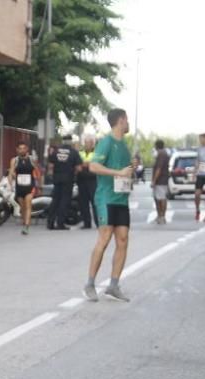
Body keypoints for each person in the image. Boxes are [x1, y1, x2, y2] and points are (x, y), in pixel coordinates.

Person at [83, 108, 133, 303]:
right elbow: (93, 166)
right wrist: (118, 173)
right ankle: (89, 283)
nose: (128, 124)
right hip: (105, 198)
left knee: (123, 239)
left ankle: (113, 285)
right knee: (104, 239)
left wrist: (129, 171)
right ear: (121, 121)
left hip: (121, 199)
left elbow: (123, 171)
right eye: (127, 120)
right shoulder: (106, 142)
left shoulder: (124, 146)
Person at [46, 134, 80, 231]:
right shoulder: (73, 152)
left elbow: (51, 166)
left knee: (55, 200)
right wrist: (74, 174)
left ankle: (50, 222)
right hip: (68, 180)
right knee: (64, 201)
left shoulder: (56, 151)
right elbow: (78, 168)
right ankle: (60, 223)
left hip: (57, 179)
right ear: (70, 141)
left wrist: (52, 175)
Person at [8, 141, 36, 235]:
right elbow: (11, 172)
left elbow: (38, 171)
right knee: (22, 207)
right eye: (20, 148)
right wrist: (10, 183)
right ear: (17, 150)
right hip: (19, 187)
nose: (22, 150)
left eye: (24, 148)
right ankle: (25, 222)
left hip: (30, 186)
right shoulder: (14, 160)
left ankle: (26, 226)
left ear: (27, 149)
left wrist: (39, 183)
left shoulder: (32, 159)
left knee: (28, 205)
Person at [77, 136, 99, 229]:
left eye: (89, 143)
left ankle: (99, 223)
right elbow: (77, 164)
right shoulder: (80, 153)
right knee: (83, 203)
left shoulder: (97, 153)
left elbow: (97, 165)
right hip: (81, 180)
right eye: (86, 143)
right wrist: (87, 164)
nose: (87, 145)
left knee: (95, 202)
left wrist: (86, 164)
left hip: (93, 180)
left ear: (93, 144)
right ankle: (87, 223)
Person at [151, 139, 170, 224]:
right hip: (162, 179)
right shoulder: (164, 153)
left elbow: (159, 168)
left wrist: (154, 180)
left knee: (161, 198)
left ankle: (162, 216)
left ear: (156, 146)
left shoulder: (161, 154)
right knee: (157, 198)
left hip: (161, 180)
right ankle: (159, 215)